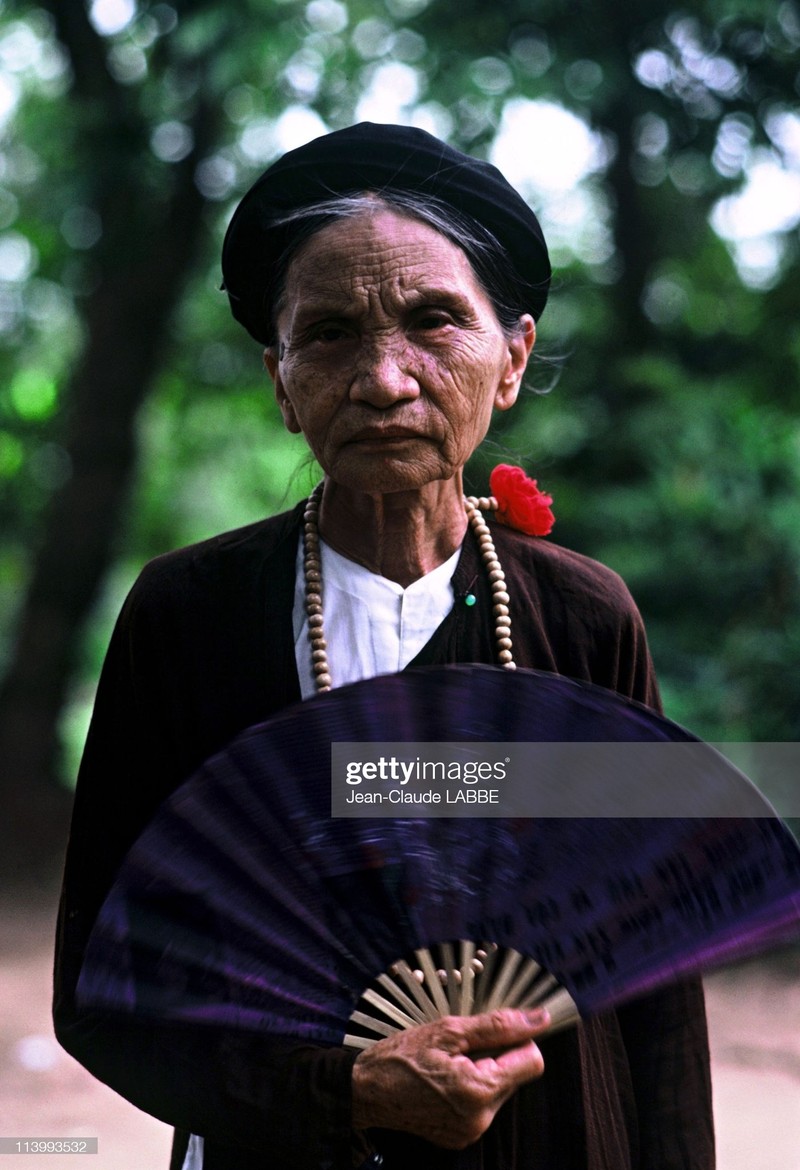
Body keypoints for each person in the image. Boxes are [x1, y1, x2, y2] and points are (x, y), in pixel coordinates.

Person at [53, 122, 715, 1170]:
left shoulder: (585, 622)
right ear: (279, 380)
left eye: (434, 322)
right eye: (327, 335)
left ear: (512, 360)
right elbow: (105, 989)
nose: (383, 379)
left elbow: (656, 992)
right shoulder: (190, 616)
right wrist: (348, 1092)